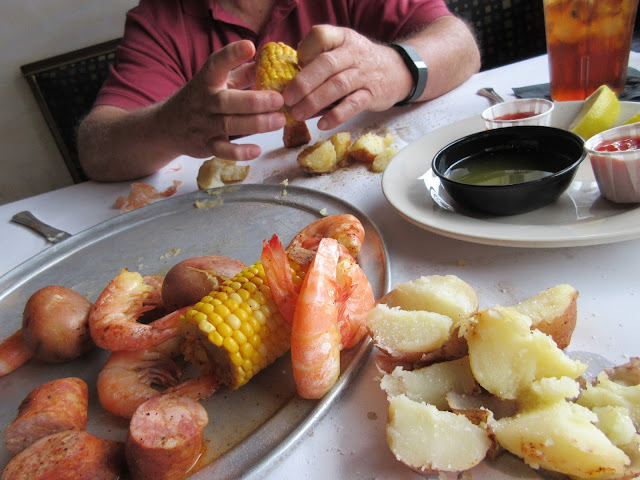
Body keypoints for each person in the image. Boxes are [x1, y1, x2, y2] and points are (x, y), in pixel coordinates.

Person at [78, 0, 480, 181]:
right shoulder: (159, 20)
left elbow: (460, 44)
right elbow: (96, 148)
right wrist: (169, 124)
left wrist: (395, 67)